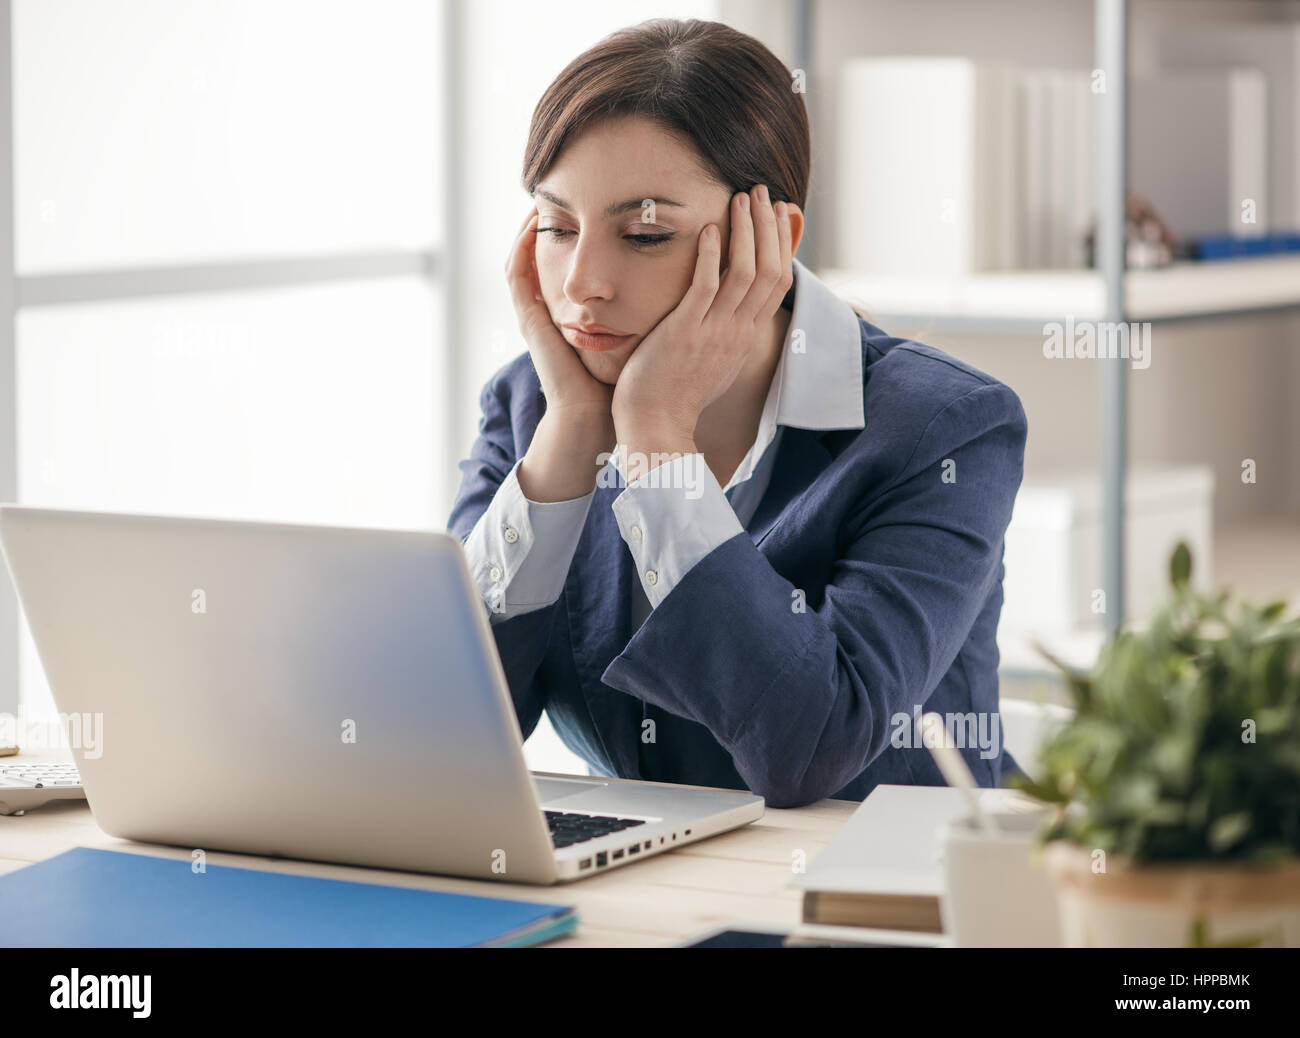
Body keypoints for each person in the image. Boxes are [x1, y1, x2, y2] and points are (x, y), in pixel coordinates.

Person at [448, 18, 1028, 809]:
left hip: (866, 910)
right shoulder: (533, 406)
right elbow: (441, 736)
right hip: (647, 903)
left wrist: (655, 439)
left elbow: (814, 746)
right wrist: (570, 443)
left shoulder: (947, 430)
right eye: (556, 226)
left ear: (772, 239)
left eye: (645, 233)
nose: (583, 281)